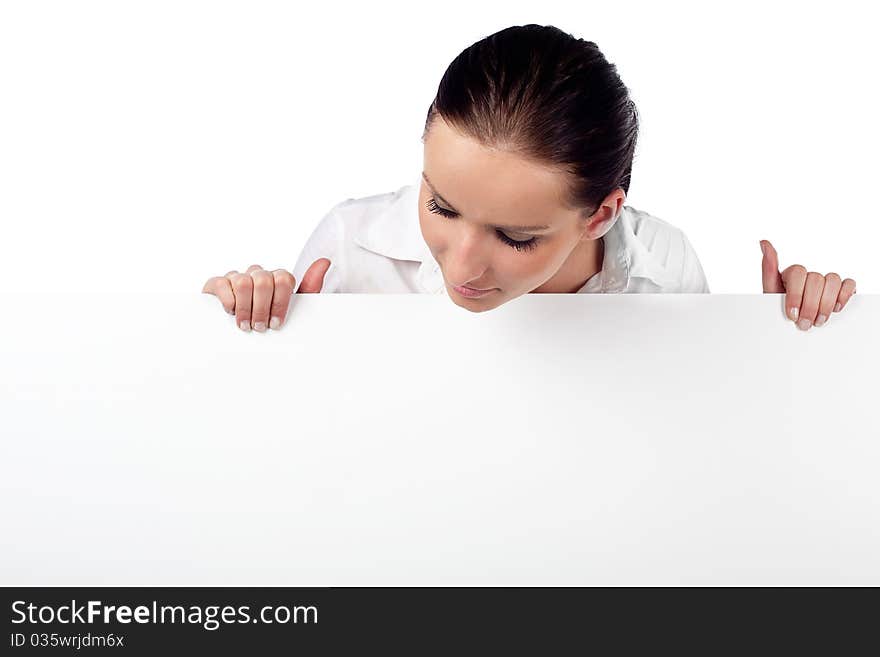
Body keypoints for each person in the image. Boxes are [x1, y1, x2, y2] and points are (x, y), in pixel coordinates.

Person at [202, 24, 856, 332]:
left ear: (602, 215)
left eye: (516, 237)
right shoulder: (350, 247)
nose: (464, 264)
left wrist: (787, 346)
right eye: (442, 205)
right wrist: (250, 324)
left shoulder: (666, 269)